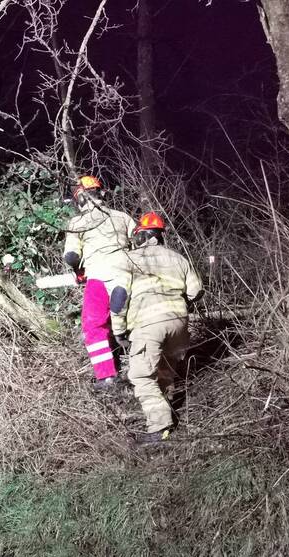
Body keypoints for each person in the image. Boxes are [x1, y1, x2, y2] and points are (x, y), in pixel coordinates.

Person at [109, 212, 204, 443]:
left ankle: (160, 426)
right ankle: (166, 406)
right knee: (165, 368)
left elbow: (119, 297)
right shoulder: (178, 257)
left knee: (142, 375)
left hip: (147, 324)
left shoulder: (128, 260)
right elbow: (196, 291)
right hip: (178, 322)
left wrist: (119, 330)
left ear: (140, 235)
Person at [62, 175, 136, 390]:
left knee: (94, 325)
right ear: (101, 193)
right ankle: (144, 368)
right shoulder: (122, 217)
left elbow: (71, 256)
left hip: (98, 276)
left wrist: (78, 269)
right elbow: (140, 243)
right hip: (127, 273)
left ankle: (107, 376)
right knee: (135, 319)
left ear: (79, 198)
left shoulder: (77, 222)